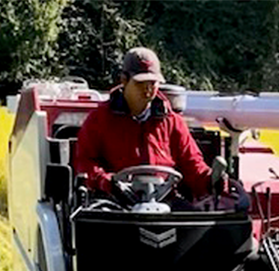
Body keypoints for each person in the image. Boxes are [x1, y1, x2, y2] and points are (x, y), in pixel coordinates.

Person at [73, 47, 219, 203]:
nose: (148, 88)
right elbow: (84, 163)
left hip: (165, 202)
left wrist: (211, 180)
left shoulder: (172, 121)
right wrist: (106, 182)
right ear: (124, 80)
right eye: (141, 82)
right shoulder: (99, 119)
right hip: (116, 204)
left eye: (153, 82)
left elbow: (192, 165)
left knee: (199, 224)